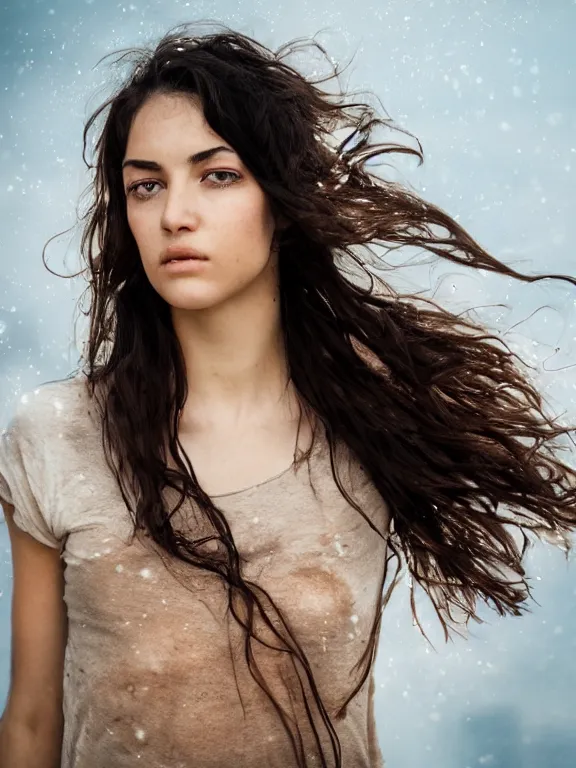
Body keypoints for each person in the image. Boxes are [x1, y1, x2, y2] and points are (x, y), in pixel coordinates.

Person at [0, 21, 575, 768]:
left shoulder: (373, 415)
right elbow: (32, 721)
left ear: (281, 197)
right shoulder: (56, 435)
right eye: (147, 184)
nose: (175, 213)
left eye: (217, 175)